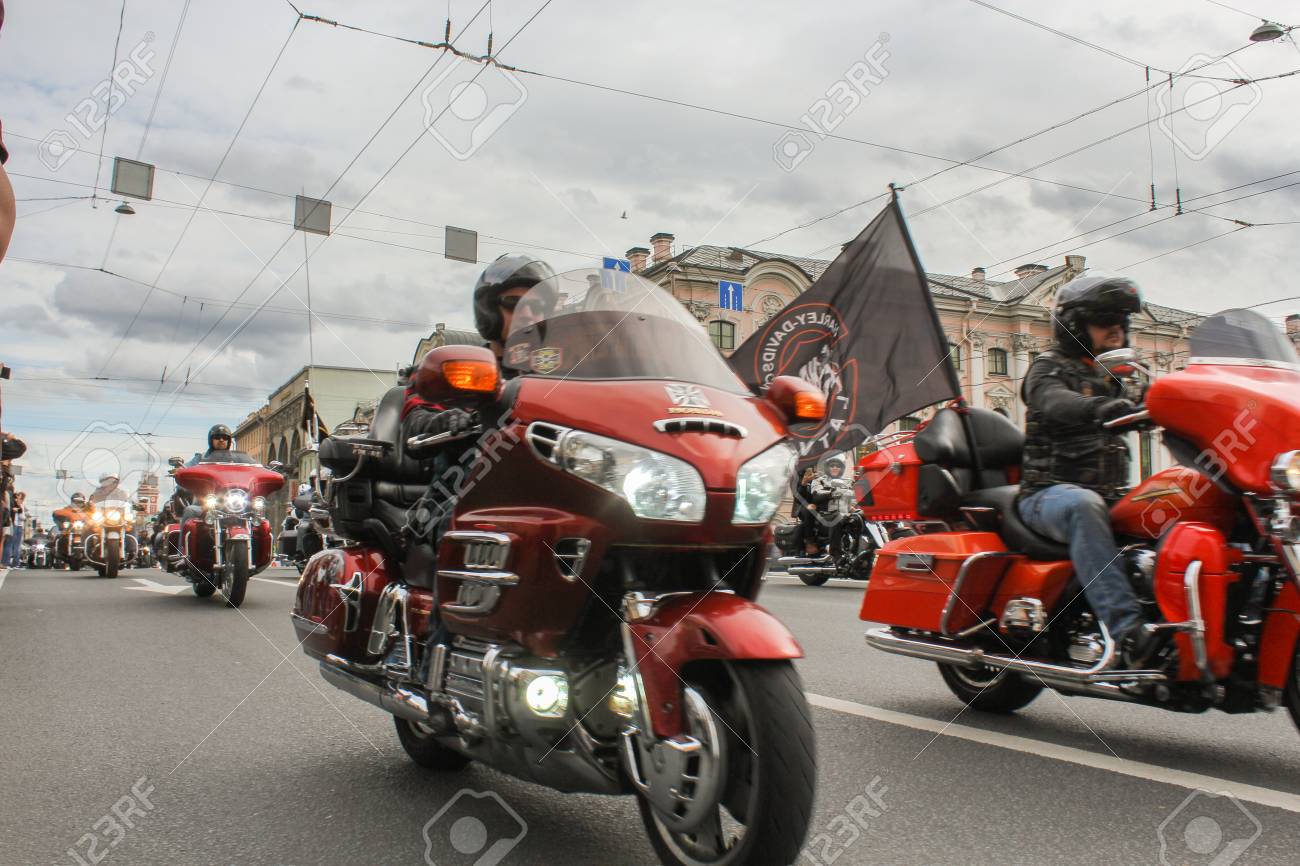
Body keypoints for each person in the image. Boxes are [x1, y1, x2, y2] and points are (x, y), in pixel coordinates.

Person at [1016, 273, 1155, 665]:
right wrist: (1096, 408)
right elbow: (1053, 401)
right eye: (1105, 319)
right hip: (1048, 494)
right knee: (1084, 505)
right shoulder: (1047, 368)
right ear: (1075, 323)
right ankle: (1127, 631)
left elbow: (1161, 394)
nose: (1116, 328)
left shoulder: (1119, 373)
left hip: (1111, 494)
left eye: (1121, 321)